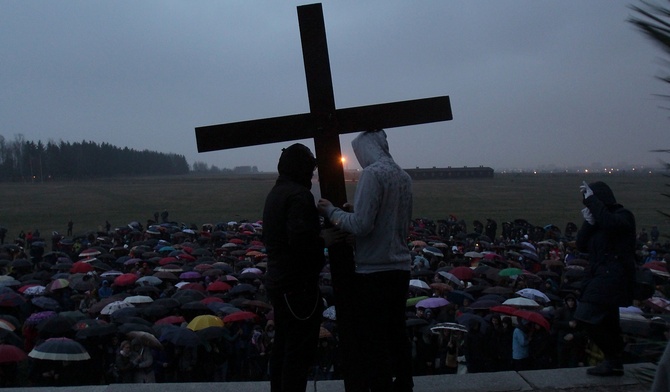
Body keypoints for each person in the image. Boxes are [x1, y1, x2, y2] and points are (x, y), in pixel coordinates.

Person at [318, 129, 414, 392]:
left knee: (373, 338)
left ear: (365, 149)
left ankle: (380, 387)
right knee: (396, 330)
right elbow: (390, 223)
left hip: (374, 270)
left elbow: (361, 225)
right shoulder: (403, 176)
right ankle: (405, 384)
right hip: (400, 266)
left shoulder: (372, 174)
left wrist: (332, 212)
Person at [262, 143, 341, 392]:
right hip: (297, 286)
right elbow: (300, 242)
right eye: (309, 168)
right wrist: (323, 240)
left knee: (283, 348)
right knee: (297, 354)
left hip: (279, 282)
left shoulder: (277, 192)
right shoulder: (298, 195)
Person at [575, 181, 636, 376]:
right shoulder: (599, 222)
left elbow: (611, 225)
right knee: (609, 321)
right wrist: (589, 223)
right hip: (599, 274)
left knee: (585, 315)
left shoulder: (623, 216)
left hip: (613, 276)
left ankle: (613, 356)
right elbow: (581, 245)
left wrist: (592, 201)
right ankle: (614, 360)